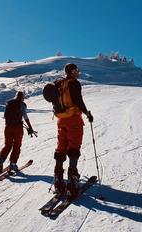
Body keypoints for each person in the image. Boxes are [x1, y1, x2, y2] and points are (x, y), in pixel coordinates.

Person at [53, 63, 93, 196]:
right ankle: (72, 181)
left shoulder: (60, 84)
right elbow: (78, 100)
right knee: (74, 147)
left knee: (61, 146)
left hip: (61, 119)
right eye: (76, 70)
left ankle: (58, 180)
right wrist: (87, 113)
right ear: (71, 71)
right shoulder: (74, 83)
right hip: (73, 119)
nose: (78, 72)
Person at [0, 91, 35, 173]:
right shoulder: (22, 105)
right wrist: (30, 127)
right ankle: (13, 163)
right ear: (22, 98)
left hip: (8, 127)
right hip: (18, 128)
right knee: (17, 145)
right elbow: (25, 117)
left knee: (7, 145)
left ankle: (0, 160)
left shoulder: (9, 103)